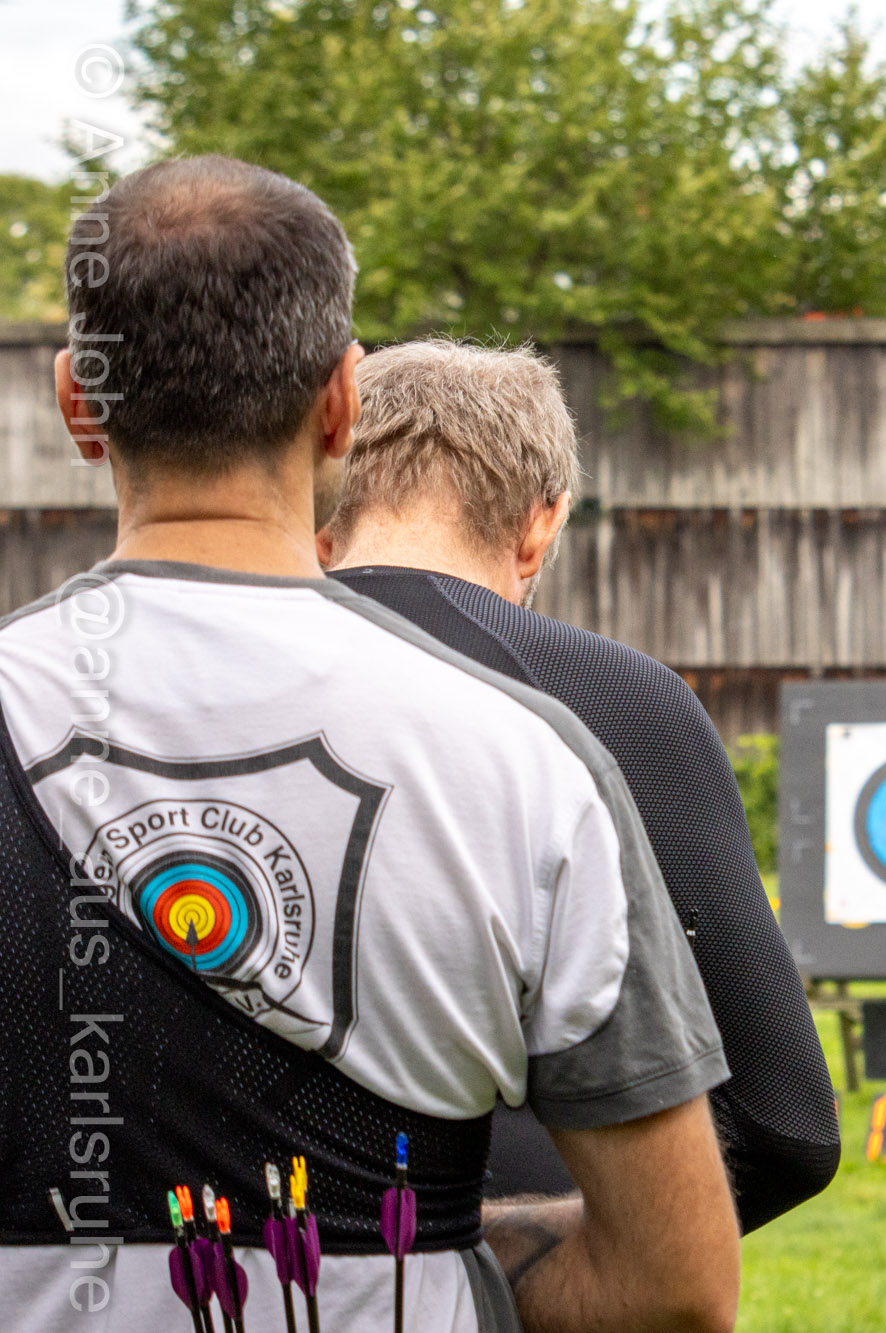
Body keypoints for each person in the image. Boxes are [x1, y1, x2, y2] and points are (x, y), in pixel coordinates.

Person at [0, 156, 737, 1333]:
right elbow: (676, 1286)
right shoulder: (528, 763)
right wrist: (430, 1261)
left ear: (75, 401)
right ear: (343, 403)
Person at [315, 337, 840, 1229]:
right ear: (542, 524)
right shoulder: (618, 701)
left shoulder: (191, 681)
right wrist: (588, 1258)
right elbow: (783, 1124)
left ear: (326, 506)